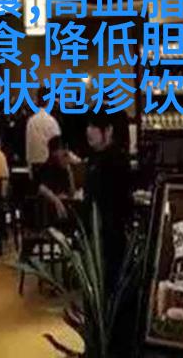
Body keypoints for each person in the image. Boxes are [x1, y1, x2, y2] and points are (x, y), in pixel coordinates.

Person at [84, 112, 132, 288]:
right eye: (88, 126)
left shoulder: (116, 160)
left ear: (108, 130)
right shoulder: (94, 158)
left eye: (94, 126)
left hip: (110, 233)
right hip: (94, 232)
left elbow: (120, 201)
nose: (89, 131)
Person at [36, 136, 76, 222]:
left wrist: (70, 169)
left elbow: (71, 192)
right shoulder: (47, 168)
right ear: (54, 152)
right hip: (50, 212)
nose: (66, 153)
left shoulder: (65, 170)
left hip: (65, 209)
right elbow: (41, 188)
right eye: (63, 149)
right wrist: (56, 200)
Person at [26, 90, 61, 169]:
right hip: (47, 165)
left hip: (32, 164)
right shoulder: (51, 121)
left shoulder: (31, 121)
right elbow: (57, 146)